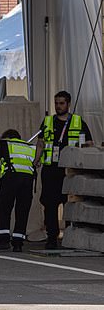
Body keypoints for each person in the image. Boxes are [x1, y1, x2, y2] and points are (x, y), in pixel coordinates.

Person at [34, 90, 93, 249]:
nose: (58, 106)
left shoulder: (78, 121)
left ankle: (70, 235)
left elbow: (89, 144)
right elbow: (40, 143)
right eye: (56, 103)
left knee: (70, 204)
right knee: (50, 204)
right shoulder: (47, 122)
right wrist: (36, 159)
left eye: (61, 103)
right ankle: (52, 237)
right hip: (50, 170)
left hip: (70, 171)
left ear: (68, 104)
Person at [0, 129, 36, 252]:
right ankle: (18, 243)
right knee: (22, 212)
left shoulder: (4, 144)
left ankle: (3, 240)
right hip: (28, 181)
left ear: (7, 138)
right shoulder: (30, 147)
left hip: (11, 179)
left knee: (3, 210)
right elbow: (35, 163)